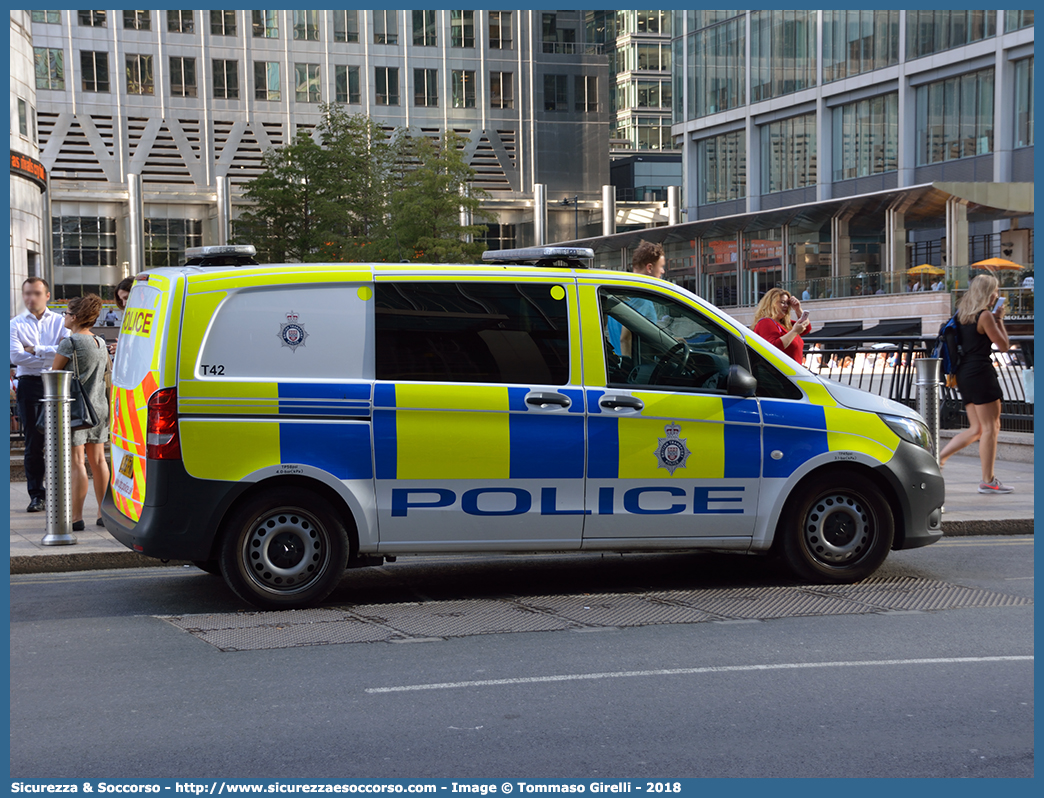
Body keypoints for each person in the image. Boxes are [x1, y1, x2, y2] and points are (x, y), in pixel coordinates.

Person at [938, 274, 1013, 494]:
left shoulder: (962, 315)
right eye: (996, 290)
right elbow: (1004, 345)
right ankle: (988, 481)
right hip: (981, 373)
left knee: (977, 428)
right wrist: (999, 319)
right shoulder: (985, 316)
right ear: (990, 293)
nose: (997, 295)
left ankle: (939, 459)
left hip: (964, 375)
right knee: (992, 427)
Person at [51, 294, 111, 530]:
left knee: (77, 462)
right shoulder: (100, 341)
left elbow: (54, 374)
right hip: (98, 407)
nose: (64, 316)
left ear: (75, 317)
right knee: (98, 461)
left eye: (66, 313)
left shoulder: (70, 342)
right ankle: (102, 513)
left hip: (77, 409)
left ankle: (75, 517)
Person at [9, 277, 69, 512]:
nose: (30, 298)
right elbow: (15, 357)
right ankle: (37, 494)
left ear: (47, 295)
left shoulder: (60, 321)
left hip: (57, 382)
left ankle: (60, 492)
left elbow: (66, 349)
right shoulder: (14, 323)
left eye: (35, 293)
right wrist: (51, 355)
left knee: (61, 440)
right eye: (26, 293)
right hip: (29, 383)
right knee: (33, 441)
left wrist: (34, 350)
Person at [606, 240, 666, 358]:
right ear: (649, 267)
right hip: (637, 368)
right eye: (661, 266)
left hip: (618, 361)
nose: (663, 271)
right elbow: (625, 338)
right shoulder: (641, 298)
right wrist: (628, 370)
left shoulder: (621, 293)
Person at [752, 287, 810, 363]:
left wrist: (798, 309)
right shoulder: (766, 322)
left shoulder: (784, 323)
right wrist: (794, 332)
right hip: (778, 372)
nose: (786, 305)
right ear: (771, 304)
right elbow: (773, 347)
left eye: (787, 303)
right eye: (782, 302)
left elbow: (807, 327)